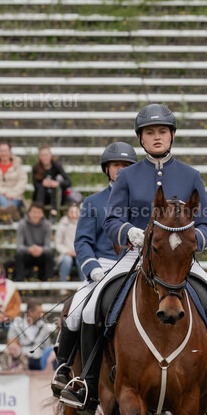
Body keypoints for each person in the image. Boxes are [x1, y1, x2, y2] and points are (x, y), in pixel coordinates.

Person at [61, 105, 207, 413]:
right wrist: (129, 233)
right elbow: (110, 221)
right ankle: (86, 382)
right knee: (92, 307)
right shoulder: (128, 177)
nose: (157, 137)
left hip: (179, 262)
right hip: (134, 257)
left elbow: (206, 226)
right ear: (141, 139)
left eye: (162, 131)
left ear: (172, 135)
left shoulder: (190, 176)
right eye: (150, 133)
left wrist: (190, 244)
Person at [51, 142, 137, 395]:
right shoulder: (93, 202)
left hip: (139, 263)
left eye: (126, 166)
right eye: (116, 166)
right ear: (107, 170)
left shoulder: (146, 200)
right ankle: (67, 369)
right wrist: (94, 269)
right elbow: (83, 242)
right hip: (105, 265)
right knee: (79, 310)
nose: (121, 170)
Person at [0, 140, 27, 222]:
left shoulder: (18, 165)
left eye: (6, 151)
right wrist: (4, 192)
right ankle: (10, 215)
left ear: (10, 152)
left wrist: (12, 193)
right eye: (1, 151)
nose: (3, 153)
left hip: (15, 196)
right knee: (1, 198)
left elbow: (22, 181)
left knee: (14, 202)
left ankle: (5, 213)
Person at [7, 299, 56, 370]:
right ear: (30, 312)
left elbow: (47, 347)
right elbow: (10, 343)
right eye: (39, 312)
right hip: (21, 361)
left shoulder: (44, 327)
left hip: (39, 360)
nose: (41, 315)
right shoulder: (16, 326)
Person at [14, 202, 54, 281]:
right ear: (29, 213)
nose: (36, 215)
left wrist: (40, 249)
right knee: (19, 255)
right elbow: (19, 247)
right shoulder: (22, 224)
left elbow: (48, 247)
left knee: (49, 255)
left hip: (41, 254)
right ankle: (19, 281)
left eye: (39, 213)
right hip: (27, 254)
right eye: (34, 212)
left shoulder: (46, 225)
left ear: (42, 214)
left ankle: (48, 281)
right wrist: (30, 249)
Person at [32, 145, 72, 218]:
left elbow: (68, 182)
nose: (44, 157)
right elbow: (35, 186)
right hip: (42, 197)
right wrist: (43, 183)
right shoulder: (36, 168)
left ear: (50, 155)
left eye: (46, 155)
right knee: (42, 187)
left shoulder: (57, 166)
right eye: (42, 155)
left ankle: (54, 212)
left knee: (54, 186)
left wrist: (57, 183)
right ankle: (39, 212)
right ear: (39, 157)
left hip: (57, 197)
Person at [55, 194, 84, 282]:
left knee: (82, 260)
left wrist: (78, 251)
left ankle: (86, 286)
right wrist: (68, 251)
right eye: (71, 212)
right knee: (67, 260)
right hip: (66, 253)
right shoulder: (62, 224)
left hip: (80, 252)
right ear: (67, 212)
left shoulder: (84, 224)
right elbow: (58, 243)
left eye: (76, 212)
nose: (73, 214)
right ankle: (63, 286)